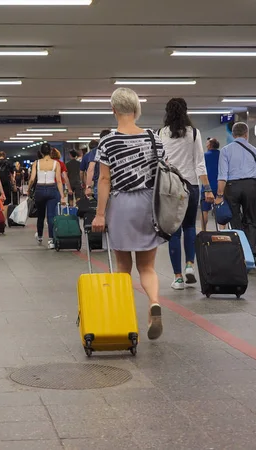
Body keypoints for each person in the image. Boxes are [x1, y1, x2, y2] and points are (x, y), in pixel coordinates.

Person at [91, 87, 165, 341]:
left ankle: (122, 315)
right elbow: (161, 173)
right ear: (136, 108)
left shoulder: (108, 141)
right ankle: (154, 302)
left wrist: (100, 214)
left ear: (113, 110)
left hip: (121, 204)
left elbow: (103, 180)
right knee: (148, 267)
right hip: (148, 204)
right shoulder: (153, 138)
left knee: (123, 266)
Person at [159, 98, 214, 289]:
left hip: (170, 188)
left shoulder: (160, 134)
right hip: (191, 186)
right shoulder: (194, 133)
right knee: (190, 227)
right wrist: (207, 189)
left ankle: (178, 277)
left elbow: (160, 163)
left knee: (173, 231)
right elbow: (200, 163)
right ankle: (190, 265)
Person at [215, 122, 256, 257]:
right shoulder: (254, 150)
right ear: (246, 134)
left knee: (235, 219)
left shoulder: (225, 150)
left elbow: (222, 175)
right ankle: (252, 248)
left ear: (233, 135)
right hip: (250, 186)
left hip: (232, 187)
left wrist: (219, 195)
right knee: (251, 218)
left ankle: (240, 249)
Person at [28, 143, 66, 249]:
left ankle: (40, 236)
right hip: (52, 189)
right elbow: (58, 180)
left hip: (39, 190)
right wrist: (62, 196)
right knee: (51, 216)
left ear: (41, 152)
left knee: (40, 215)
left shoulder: (36, 163)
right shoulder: (56, 163)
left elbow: (32, 179)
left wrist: (28, 189)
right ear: (50, 151)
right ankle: (51, 240)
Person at [85, 130, 112, 199]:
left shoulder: (95, 151)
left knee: (101, 208)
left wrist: (88, 187)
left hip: (100, 182)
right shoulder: (116, 150)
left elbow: (90, 169)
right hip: (115, 183)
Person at [201, 138, 221, 232]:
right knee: (221, 208)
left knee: (204, 211)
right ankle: (222, 230)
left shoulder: (204, 156)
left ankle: (204, 231)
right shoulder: (222, 155)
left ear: (210, 145)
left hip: (207, 186)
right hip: (220, 186)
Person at [0, 151, 14, 218]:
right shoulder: (8, 164)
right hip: (6, 185)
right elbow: (11, 176)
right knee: (5, 203)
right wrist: (13, 185)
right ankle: (4, 220)